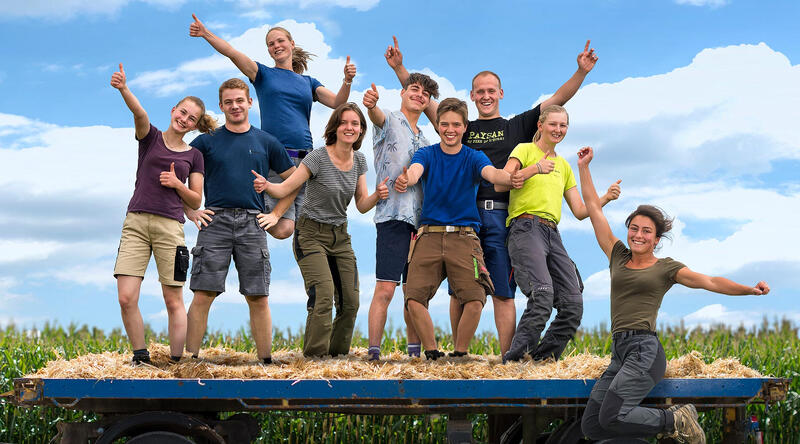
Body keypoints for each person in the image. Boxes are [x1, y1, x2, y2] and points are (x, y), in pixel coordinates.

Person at [386, 36, 597, 355]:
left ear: (500, 93)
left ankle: (506, 358)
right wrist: (400, 69)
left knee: (502, 290)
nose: (485, 96)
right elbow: (426, 102)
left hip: (501, 215)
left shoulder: (517, 127)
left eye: (491, 90)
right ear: (472, 96)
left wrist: (581, 72)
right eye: (480, 91)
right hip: (464, 218)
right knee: (460, 292)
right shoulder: (462, 127)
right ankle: (459, 355)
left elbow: (558, 99)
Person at [577, 146, 769, 443]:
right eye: (634, 228)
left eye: (647, 231)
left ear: (656, 239)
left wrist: (750, 290)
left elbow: (709, 281)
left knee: (613, 415)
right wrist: (584, 167)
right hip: (620, 352)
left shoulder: (665, 267)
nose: (638, 235)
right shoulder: (617, 255)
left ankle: (676, 420)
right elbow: (593, 206)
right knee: (592, 426)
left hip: (644, 351)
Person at [189, 15, 356, 238]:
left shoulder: (308, 82)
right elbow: (232, 53)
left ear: (292, 44)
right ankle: (242, 220)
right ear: (268, 51)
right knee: (283, 229)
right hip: (277, 159)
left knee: (306, 229)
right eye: (271, 44)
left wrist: (347, 81)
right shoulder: (263, 75)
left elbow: (337, 102)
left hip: (306, 160)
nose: (276, 46)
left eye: (280, 41)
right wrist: (205, 33)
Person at [261, 103, 388, 357]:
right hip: (310, 234)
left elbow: (362, 205)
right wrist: (267, 186)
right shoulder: (317, 157)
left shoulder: (359, 160)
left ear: (361, 129)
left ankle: (337, 358)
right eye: (344, 122)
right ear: (335, 127)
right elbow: (287, 187)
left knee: (350, 301)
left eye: (355, 124)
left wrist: (377, 195)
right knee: (323, 295)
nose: (349, 127)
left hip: (340, 236)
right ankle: (315, 359)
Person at [496, 105, 620, 363]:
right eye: (553, 124)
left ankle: (542, 361)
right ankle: (515, 363)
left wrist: (606, 197)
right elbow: (501, 181)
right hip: (526, 228)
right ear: (540, 125)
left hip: (552, 234)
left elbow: (580, 211)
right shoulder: (524, 150)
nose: (558, 129)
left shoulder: (563, 166)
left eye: (563, 125)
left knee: (573, 303)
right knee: (542, 294)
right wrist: (534, 169)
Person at [185, 78, 297, 364]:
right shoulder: (205, 142)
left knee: (258, 296)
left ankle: (265, 362)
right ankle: (189, 360)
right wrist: (190, 211)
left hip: (253, 223)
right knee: (203, 293)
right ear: (221, 106)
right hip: (215, 222)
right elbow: (176, 173)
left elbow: (294, 182)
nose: (234, 106)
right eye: (228, 102)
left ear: (249, 102)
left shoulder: (267, 142)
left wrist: (275, 214)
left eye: (239, 100)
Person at [395, 98, 516, 360]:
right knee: (413, 298)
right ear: (438, 125)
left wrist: (511, 177)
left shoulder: (474, 157)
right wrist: (408, 178)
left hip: (464, 237)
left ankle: (460, 355)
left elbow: (493, 175)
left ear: (464, 127)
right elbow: (415, 172)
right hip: (428, 236)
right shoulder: (427, 154)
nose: (450, 130)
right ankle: (432, 353)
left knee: (475, 299)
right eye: (445, 124)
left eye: (456, 125)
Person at [110, 63, 215, 364]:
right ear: (173, 111)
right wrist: (124, 89)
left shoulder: (195, 156)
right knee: (126, 297)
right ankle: (140, 356)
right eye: (182, 112)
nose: (184, 119)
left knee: (173, 300)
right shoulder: (150, 138)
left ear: (194, 126)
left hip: (171, 227)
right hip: (136, 223)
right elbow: (140, 114)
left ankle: (177, 362)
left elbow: (196, 198)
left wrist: (177, 184)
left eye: (191, 118)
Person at [361, 73, 440, 361]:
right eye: (414, 89)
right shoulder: (390, 120)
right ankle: (373, 354)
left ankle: (414, 356)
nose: (419, 95)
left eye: (425, 94)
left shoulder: (426, 141)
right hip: (392, 217)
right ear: (403, 93)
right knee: (385, 288)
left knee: (413, 293)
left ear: (428, 102)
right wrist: (371, 105)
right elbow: (376, 116)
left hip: (419, 225)